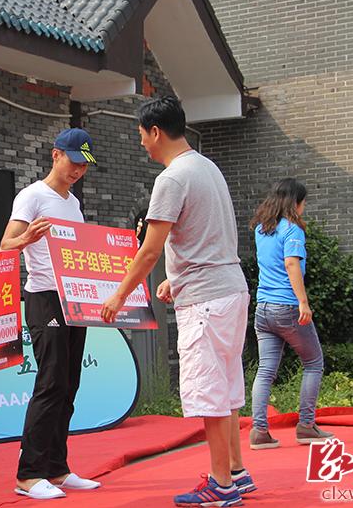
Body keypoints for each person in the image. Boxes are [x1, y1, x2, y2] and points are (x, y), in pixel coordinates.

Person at [101, 96, 254, 507]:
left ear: (155, 132)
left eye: (141, 135)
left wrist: (119, 294)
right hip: (230, 290)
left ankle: (221, 485)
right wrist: (177, 278)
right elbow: (207, 235)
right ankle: (236, 472)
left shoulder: (171, 179)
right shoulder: (207, 167)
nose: (141, 144)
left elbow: (150, 249)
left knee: (209, 393)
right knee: (226, 387)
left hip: (206, 301)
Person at [0, 128, 101, 500]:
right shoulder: (32, 196)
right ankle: (28, 474)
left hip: (74, 299)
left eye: (83, 165)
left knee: (69, 383)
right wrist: (27, 239)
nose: (77, 170)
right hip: (44, 297)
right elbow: (5, 246)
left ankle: (57, 468)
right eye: (73, 162)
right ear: (56, 155)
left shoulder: (73, 203)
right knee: (51, 382)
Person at [249, 178, 334, 449]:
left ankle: (259, 432)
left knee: (265, 371)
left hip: (263, 309)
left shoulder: (262, 230)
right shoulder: (292, 229)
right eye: (303, 202)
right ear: (296, 202)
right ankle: (306, 426)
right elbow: (291, 264)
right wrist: (303, 302)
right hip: (287, 307)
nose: (304, 207)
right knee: (314, 363)